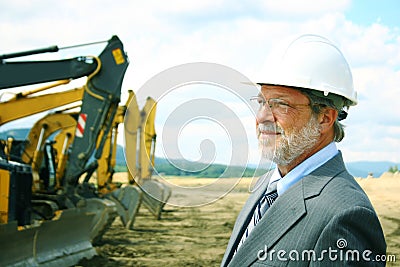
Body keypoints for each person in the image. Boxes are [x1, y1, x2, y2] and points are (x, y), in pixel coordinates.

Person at [221, 35, 386, 266]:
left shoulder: (345, 215)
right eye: (261, 103)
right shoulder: (268, 187)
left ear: (324, 118)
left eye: (281, 104)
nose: (262, 118)